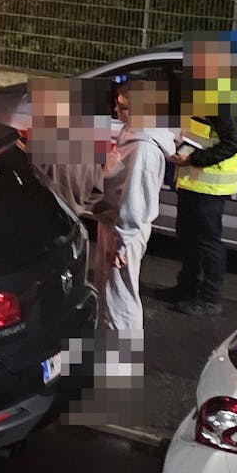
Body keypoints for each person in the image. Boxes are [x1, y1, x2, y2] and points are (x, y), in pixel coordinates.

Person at [90, 80, 175, 366]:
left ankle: (119, 362)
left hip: (123, 230)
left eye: (122, 106)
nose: (116, 109)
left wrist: (122, 244)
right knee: (110, 290)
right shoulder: (134, 133)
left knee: (120, 296)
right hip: (114, 225)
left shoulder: (144, 149)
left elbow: (135, 200)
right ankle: (111, 352)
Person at [168, 36, 237, 316]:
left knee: (208, 242)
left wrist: (194, 159)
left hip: (209, 186)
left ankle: (209, 298)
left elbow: (231, 143)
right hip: (192, 180)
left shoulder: (223, 96)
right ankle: (186, 287)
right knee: (187, 237)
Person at [28, 77, 105, 222]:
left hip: (44, 215)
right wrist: (78, 206)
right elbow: (97, 193)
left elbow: (30, 178)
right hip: (72, 218)